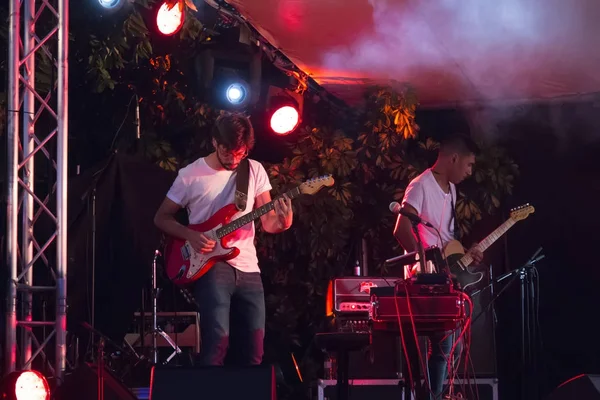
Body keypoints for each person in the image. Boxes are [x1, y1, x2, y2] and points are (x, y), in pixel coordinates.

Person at [153, 113, 293, 366]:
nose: (234, 159)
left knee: (255, 347)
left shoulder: (254, 170)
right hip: (210, 263)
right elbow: (161, 218)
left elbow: (268, 223)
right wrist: (190, 235)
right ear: (215, 142)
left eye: (241, 154)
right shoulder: (190, 175)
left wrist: (284, 222)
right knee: (218, 341)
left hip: (249, 267)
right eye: (229, 152)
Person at [393, 133, 484, 399]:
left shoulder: (453, 190)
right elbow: (401, 229)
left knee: (450, 345)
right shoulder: (421, 185)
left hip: (445, 277)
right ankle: (433, 394)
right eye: (468, 165)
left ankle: (439, 393)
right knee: (443, 344)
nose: (469, 172)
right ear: (453, 158)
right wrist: (423, 264)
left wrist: (465, 254)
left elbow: (445, 238)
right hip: (424, 279)